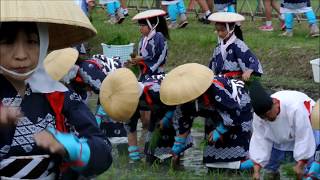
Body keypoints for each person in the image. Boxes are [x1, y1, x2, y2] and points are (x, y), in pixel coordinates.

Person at [0, 1, 112, 179]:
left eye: (31, 41)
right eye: (6, 42)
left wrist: (73, 148)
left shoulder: (59, 96)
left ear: (43, 43)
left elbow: (104, 150)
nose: (21, 54)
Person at [160, 63, 254, 171]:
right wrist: (177, 147)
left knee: (238, 151)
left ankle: (255, 163)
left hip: (239, 106)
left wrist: (219, 130)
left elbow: (234, 112)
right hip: (215, 113)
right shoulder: (185, 101)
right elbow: (183, 122)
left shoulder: (215, 90)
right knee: (212, 160)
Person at [248, 82, 317, 179]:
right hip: (280, 136)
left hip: (310, 125)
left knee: (307, 170)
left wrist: (301, 163)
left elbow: (304, 136)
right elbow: (259, 139)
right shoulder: (260, 116)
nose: (266, 119)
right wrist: (256, 171)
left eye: (268, 114)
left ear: (275, 103)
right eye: (263, 117)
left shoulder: (295, 109)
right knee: (270, 171)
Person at [207, 12, 263, 83]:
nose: (219, 33)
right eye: (218, 30)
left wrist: (249, 71)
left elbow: (254, 61)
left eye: (222, 30)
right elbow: (212, 66)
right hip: (220, 80)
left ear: (231, 29)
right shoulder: (218, 47)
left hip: (235, 82)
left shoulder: (238, 45)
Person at [130, 9, 170, 83]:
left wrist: (141, 58)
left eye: (143, 25)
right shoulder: (143, 38)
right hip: (145, 72)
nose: (140, 28)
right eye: (140, 25)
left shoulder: (159, 37)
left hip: (156, 73)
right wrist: (136, 61)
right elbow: (142, 56)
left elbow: (159, 57)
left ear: (152, 26)